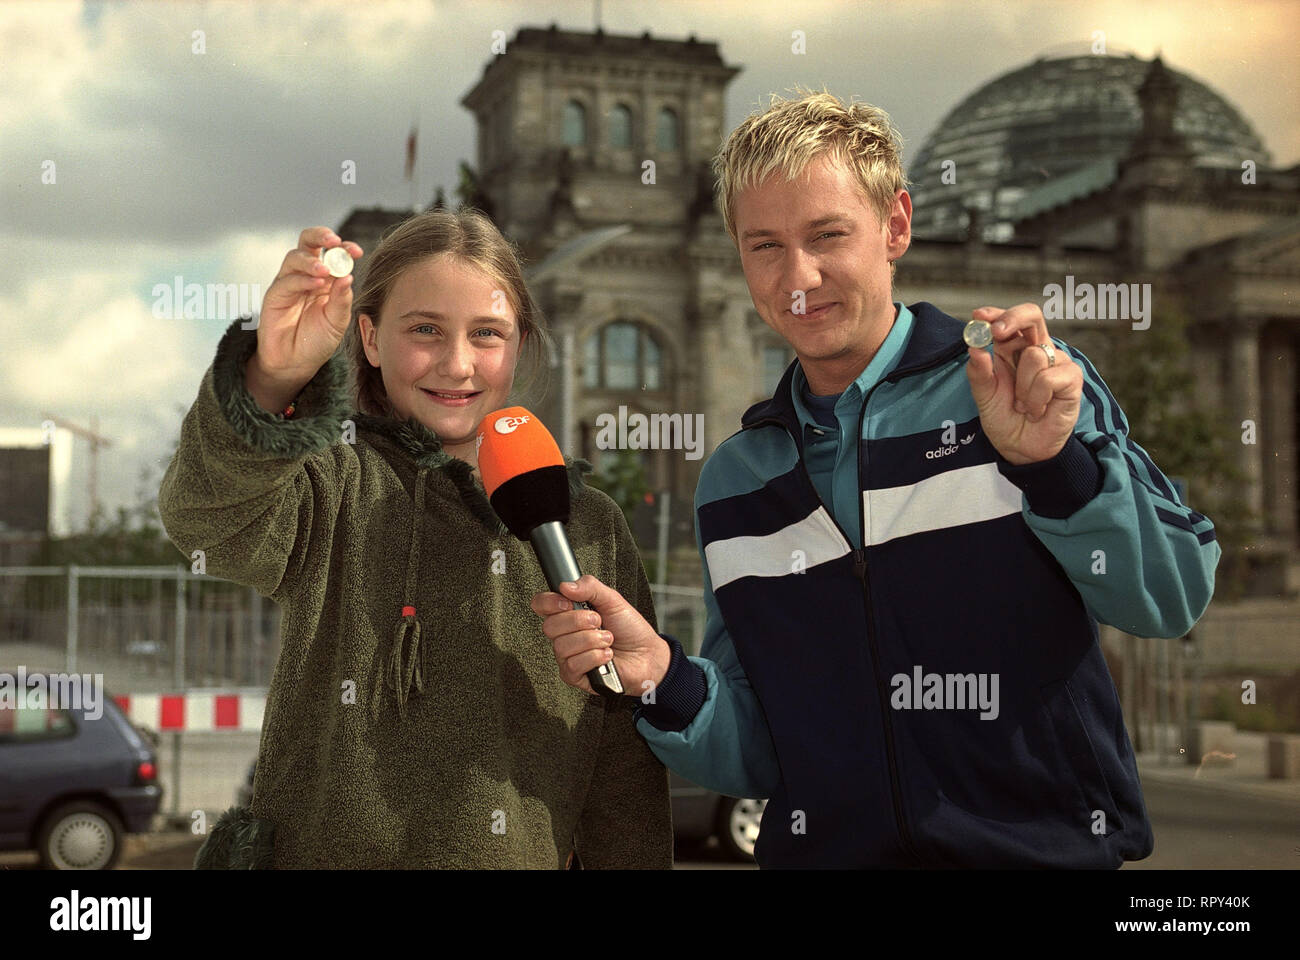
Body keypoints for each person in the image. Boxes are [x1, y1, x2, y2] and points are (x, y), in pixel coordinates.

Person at [532, 91, 1220, 868]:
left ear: (895, 225)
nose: (800, 276)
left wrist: (1050, 465)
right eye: (765, 246)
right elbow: (759, 749)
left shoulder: (1020, 387)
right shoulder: (735, 480)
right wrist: (660, 677)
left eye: (829, 234)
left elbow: (1170, 598)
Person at [159, 210, 672, 869]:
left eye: (487, 334)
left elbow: (624, 773)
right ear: (369, 338)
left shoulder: (588, 525)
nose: (457, 364)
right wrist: (272, 378)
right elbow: (205, 518)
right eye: (426, 330)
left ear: (519, 342)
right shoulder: (330, 482)